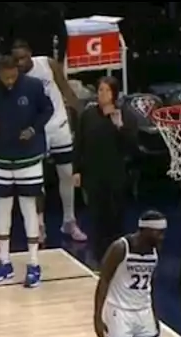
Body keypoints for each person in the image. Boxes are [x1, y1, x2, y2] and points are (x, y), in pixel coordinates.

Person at [0, 54, 53, 288]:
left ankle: (34, 264)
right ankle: (4, 262)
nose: (9, 82)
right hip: (1, 157)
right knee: (2, 211)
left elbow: (47, 110)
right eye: (5, 78)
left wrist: (33, 129)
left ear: (17, 71)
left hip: (28, 157)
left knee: (28, 209)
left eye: (13, 77)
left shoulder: (32, 86)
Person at [13, 40, 87, 244]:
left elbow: (66, 90)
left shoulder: (47, 64)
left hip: (59, 125)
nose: (20, 62)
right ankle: (39, 225)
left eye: (23, 57)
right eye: (16, 59)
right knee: (37, 180)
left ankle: (69, 221)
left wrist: (83, 115)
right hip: (36, 130)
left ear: (30, 54)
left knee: (67, 175)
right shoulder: (14, 78)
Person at [73, 76, 135, 263]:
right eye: (100, 90)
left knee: (116, 217)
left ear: (114, 93)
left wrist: (119, 127)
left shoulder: (124, 114)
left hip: (115, 174)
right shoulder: (88, 115)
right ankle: (99, 258)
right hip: (93, 174)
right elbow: (79, 144)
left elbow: (132, 146)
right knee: (97, 218)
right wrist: (77, 170)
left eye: (107, 90)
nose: (103, 94)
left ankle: (118, 257)